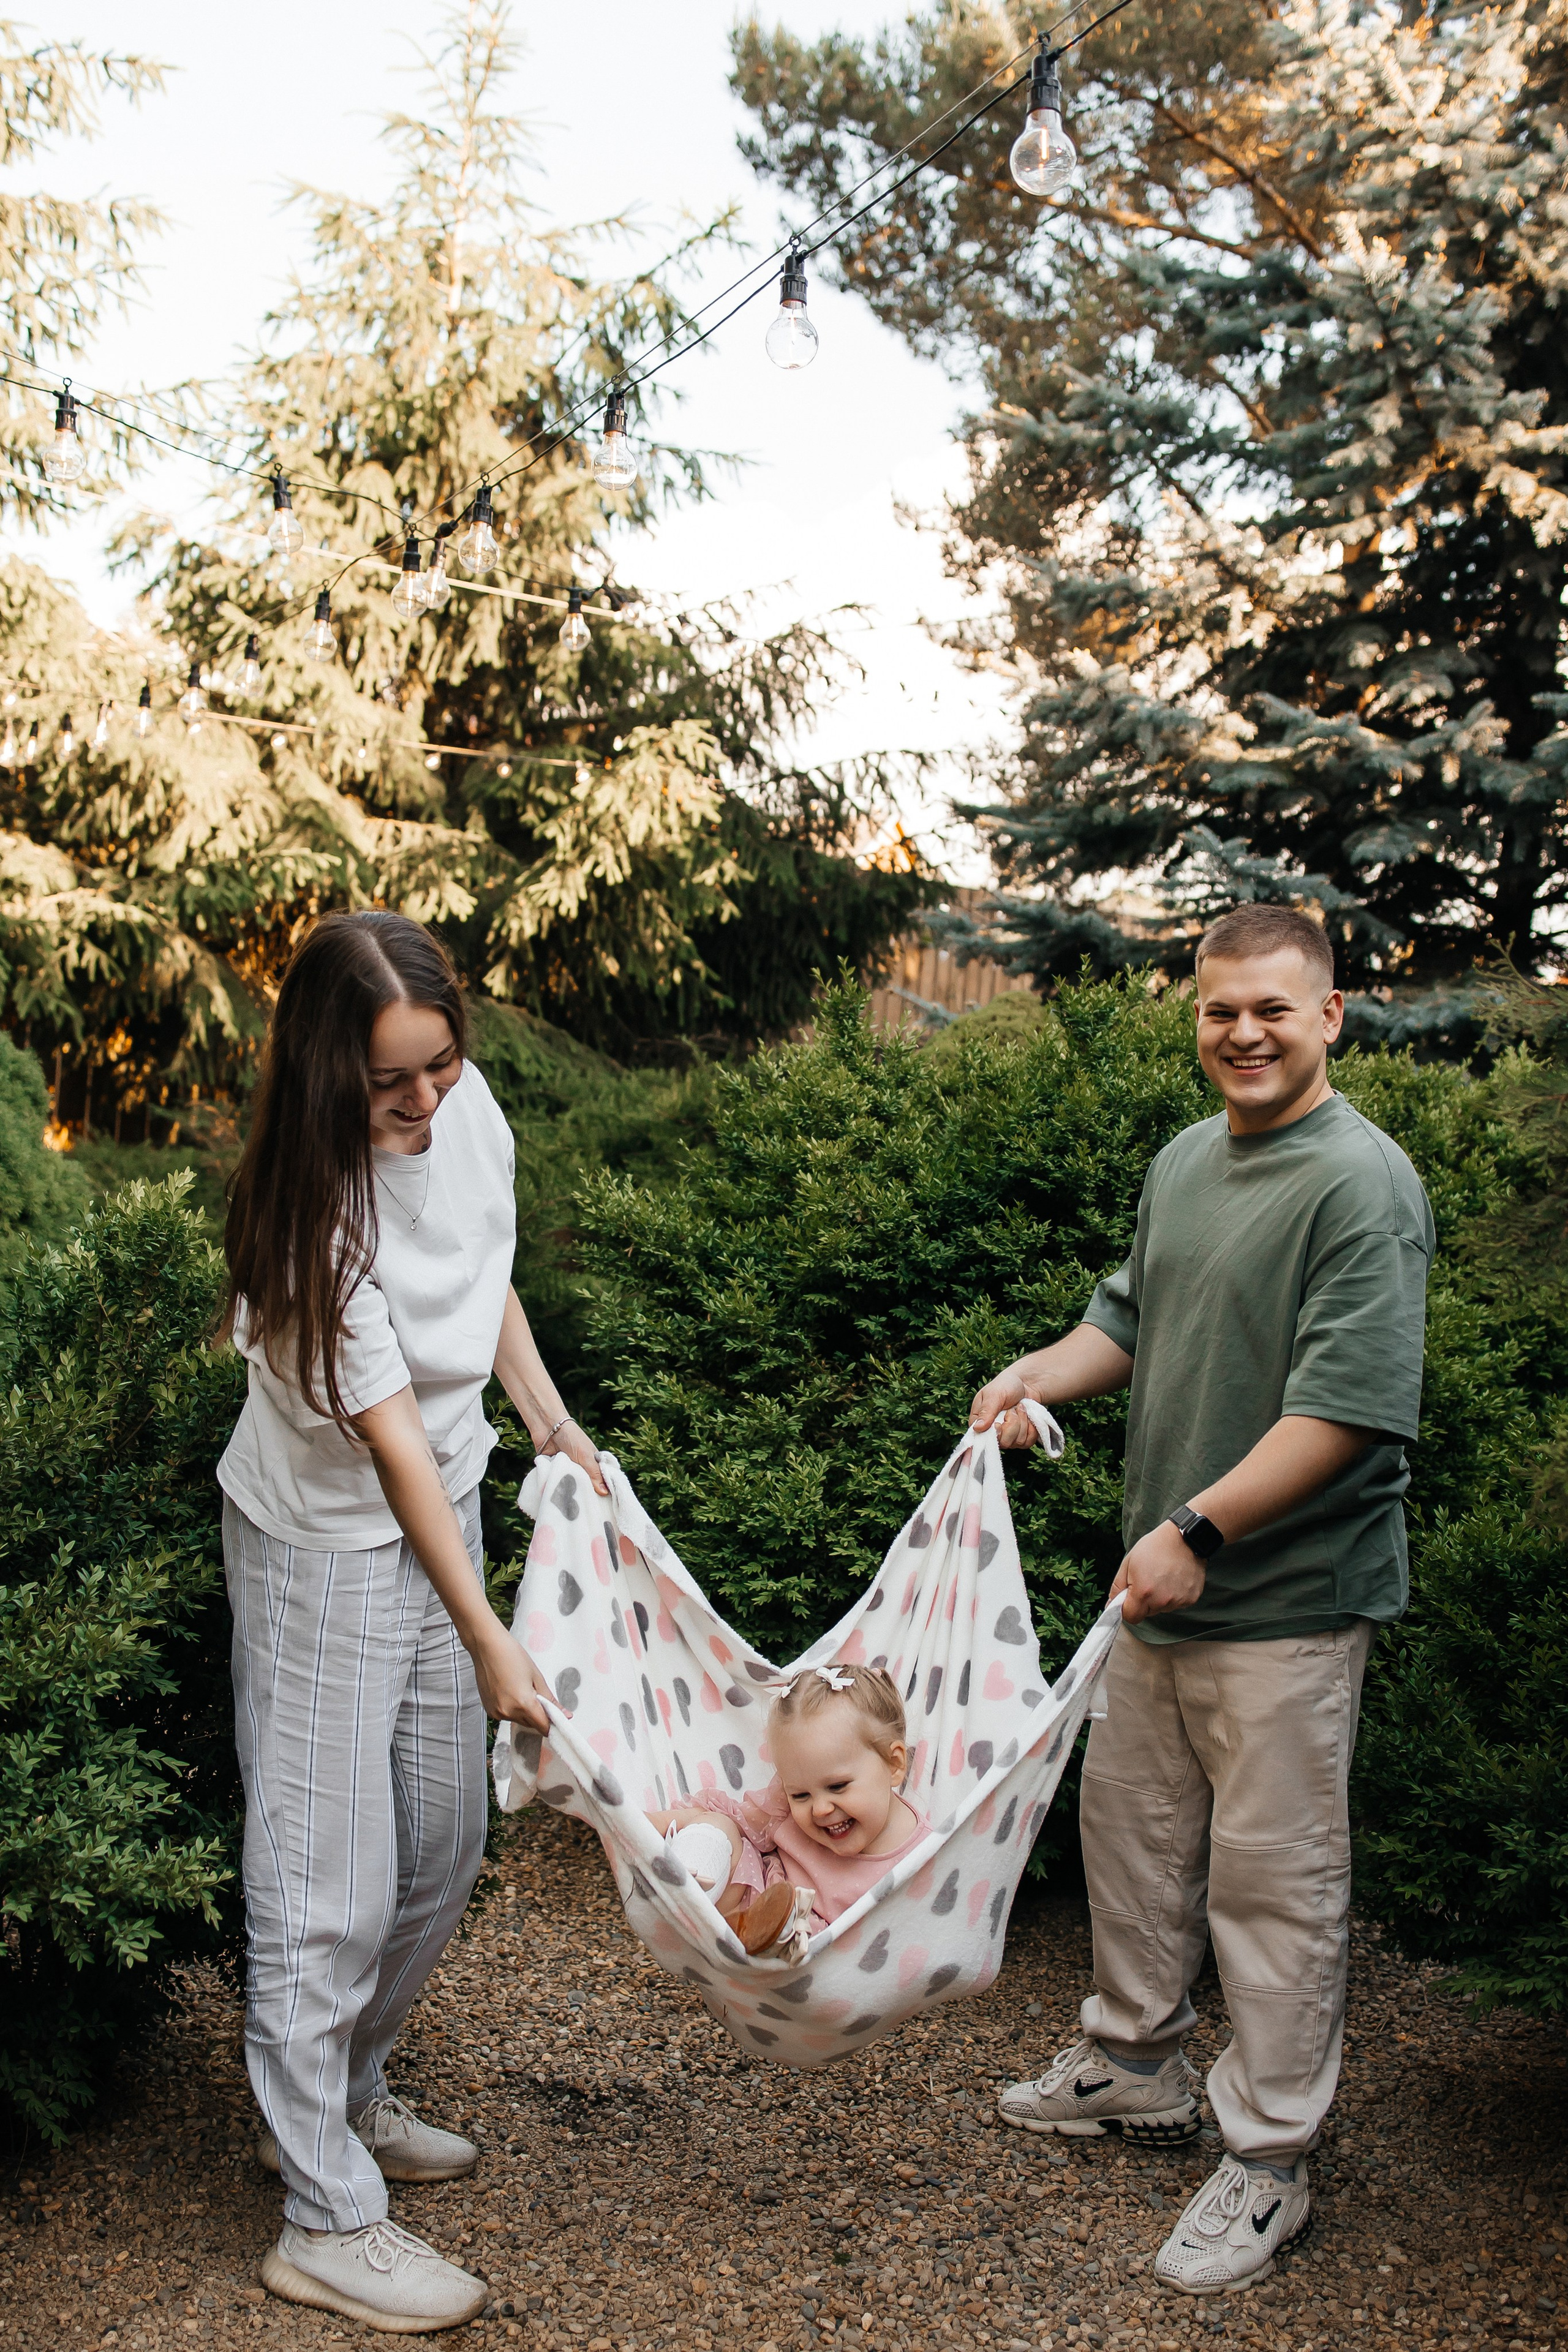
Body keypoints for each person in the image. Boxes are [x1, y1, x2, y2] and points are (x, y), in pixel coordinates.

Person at [970, 904, 1433, 2297]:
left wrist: (1196, 1525)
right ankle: (1131, 2066)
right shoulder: (1184, 1162)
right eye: (1218, 1008)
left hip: (1280, 1601)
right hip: (1155, 1595)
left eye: (1271, 1010)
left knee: (1271, 1887)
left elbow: (1347, 1413)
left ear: (1328, 1017)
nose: (1241, 1032)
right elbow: (1124, 1318)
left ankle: (1271, 2156)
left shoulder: (1360, 1184)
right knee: (1131, 1835)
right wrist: (1035, 1373)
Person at [218, 910, 605, 2333]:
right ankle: (322, 2213)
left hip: (448, 1509)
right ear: (328, 1077)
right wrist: (491, 1628)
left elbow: (480, 1263)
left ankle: (334, 2098)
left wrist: (550, 1423)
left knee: (440, 1844)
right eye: (392, 1084)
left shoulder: (457, 1101)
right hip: (326, 1548)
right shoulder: (308, 1224)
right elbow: (385, 1440)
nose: (427, 1100)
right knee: (330, 1885)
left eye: (441, 1064)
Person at [648, 1661, 930, 1953]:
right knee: (718, 1828)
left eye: (837, 1787)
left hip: (822, 1958)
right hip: (749, 1907)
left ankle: (764, 1937)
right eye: (800, 1795)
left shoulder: (928, 1857)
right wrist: (629, 1824)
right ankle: (686, 1885)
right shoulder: (783, 1806)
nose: (820, 1808)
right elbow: (727, 1814)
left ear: (894, 1764)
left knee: (796, 1934)